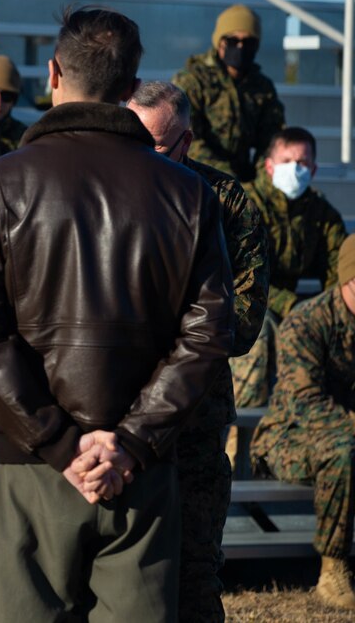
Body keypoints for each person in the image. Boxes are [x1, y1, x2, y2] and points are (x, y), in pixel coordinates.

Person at [0, 8, 234, 621]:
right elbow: (209, 333)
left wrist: (56, 440)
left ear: (53, 73)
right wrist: (129, 442)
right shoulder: (188, 194)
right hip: (142, 467)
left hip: (32, 465)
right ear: (132, 88)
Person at [129, 81, 270, 622]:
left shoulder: (227, 203)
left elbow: (242, 323)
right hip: (113, 409)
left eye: (156, 146)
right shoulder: (102, 187)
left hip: (193, 413)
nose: (139, 158)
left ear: (186, 140)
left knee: (193, 571)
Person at [250, 233, 355, 611]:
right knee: (343, 451)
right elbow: (304, 403)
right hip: (287, 438)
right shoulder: (307, 322)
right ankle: (333, 569)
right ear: (348, 280)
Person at [231, 126, 347, 408]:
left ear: (315, 169)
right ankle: (238, 441)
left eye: (303, 162)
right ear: (269, 166)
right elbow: (240, 273)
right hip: (247, 300)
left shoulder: (321, 214)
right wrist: (292, 305)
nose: (295, 169)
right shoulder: (247, 204)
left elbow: (338, 272)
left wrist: (327, 315)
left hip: (292, 307)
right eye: (287, 161)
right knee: (257, 340)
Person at [173, 3, 285, 181]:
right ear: (220, 43)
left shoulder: (262, 87)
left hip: (244, 181)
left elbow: (271, 141)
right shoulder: (193, 80)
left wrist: (259, 185)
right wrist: (227, 179)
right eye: (233, 41)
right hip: (197, 177)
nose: (240, 47)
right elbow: (187, 137)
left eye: (248, 42)